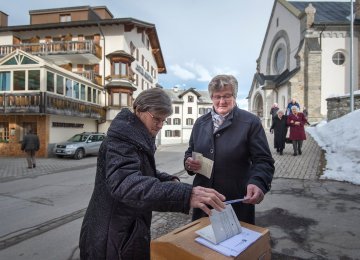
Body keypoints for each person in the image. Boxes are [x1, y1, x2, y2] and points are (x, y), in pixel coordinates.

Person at [79, 88, 226, 260]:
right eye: (157, 118)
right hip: (111, 237)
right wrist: (184, 195)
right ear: (139, 109)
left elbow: (139, 169)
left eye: (164, 120)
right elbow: (125, 183)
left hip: (123, 231)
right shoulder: (121, 138)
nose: (160, 125)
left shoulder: (135, 134)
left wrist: (166, 179)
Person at [184, 75, 275, 225]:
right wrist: (188, 163)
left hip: (235, 201)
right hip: (204, 202)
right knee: (201, 245)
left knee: (235, 246)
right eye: (217, 96)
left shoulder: (250, 122)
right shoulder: (200, 123)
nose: (222, 101)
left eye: (227, 96)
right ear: (211, 97)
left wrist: (258, 182)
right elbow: (190, 151)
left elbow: (263, 161)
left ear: (235, 96)